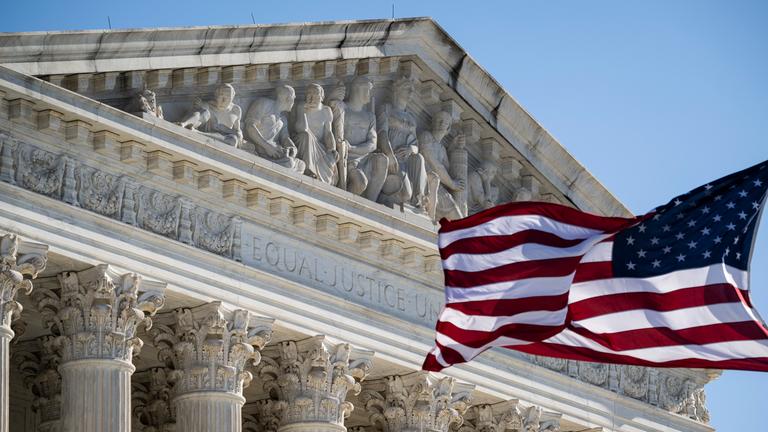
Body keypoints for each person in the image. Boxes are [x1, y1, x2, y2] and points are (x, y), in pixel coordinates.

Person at [376, 76, 428, 210]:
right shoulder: (386, 109)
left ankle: (420, 199)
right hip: (391, 157)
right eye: (407, 88)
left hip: (406, 161)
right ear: (397, 90)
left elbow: (416, 145)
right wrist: (389, 154)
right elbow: (382, 133)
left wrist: (411, 148)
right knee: (405, 193)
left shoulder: (411, 118)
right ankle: (386, 197)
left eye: (412, 90)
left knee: (419, 158)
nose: (411, 92)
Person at [343, 77, 388, 200]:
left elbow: (373, 144)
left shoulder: (370, 116)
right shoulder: (343, 109)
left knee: (382, 160)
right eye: (367, 90)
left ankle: (371, 201)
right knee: (360, 183)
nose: (369, 94)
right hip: (347, 158)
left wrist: (353, 148)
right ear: (357, 90)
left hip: (362, 157)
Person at [243, 85, 305, 173]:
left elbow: (285, 138)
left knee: (301, 165)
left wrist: (292, 147)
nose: (293, 102)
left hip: (276, 153)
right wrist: (268, 147)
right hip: (261, 150)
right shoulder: (263, 103)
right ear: (288, 98)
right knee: (289, 164)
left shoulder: (283, 119)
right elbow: (250, 126)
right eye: (293, 99)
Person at [420, 111, 465, 221]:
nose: (440, 124)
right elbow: (434, 164)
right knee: (456, 217)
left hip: (437, 185)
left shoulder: (442, 149)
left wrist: (453, 146)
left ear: (448, 129)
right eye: (438, 120)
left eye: (444, 123)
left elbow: (446, 169)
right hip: (424, 181)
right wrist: (452, 184)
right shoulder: (426, 136)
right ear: (433, 123)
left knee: (458, 217)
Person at [291, 83, 338, 185]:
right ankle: (308, 170)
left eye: (315, 94)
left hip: (319, 147)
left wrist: (332, 149)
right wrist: (302, 111)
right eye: (308, 94)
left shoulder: (326, 111)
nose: (311, 97)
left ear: (322, 96)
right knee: (306, 136)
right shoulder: (300, 106)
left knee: (329, 157)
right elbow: (301, 129)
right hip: (301, 141)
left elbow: (328, 133)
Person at [178, 83, 243, 147]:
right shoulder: (208, 105)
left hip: (220, 139)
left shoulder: (236, 110)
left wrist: (239, 134)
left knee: (233, 140)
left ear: (232, 98)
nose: (224, 101)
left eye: (228, 97)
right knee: (205, 112)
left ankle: (198, 133)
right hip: (202, 128)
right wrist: (198, 105)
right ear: (216, 95)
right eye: (221, 96)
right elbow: (200, 113)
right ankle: (184, 124)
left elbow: (238, 130)